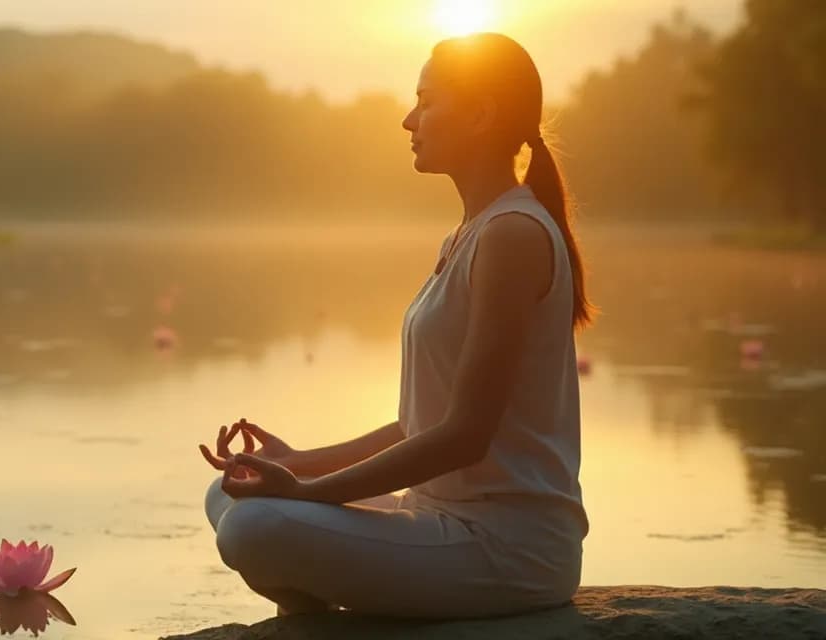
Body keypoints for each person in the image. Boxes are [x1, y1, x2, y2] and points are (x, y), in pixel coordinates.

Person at [198, 32, 595, 619]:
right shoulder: (471, 233)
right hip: (436, 518)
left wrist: (306, 493)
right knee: (227, 496)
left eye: (427, 101)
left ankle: (321, 609)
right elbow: (420, 423)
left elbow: (465, 434)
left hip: (507, 547)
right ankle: (324, 611)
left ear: (481, 114)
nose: (410, 119)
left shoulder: (513, 235)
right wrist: (303, 461)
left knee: (254, 527)